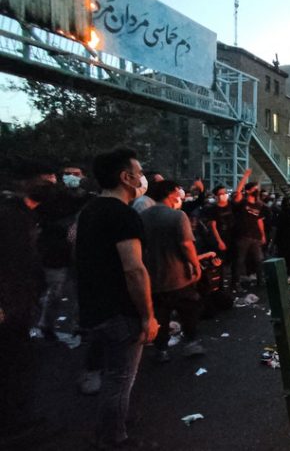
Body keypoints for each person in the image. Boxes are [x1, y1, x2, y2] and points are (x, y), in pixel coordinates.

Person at [76, 148, 159, 448]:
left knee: (113, 374)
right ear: (126, 177)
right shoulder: (123, 214)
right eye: (138, 171)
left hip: (94, 307)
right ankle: (113, 437)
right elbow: (134, 269)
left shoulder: (90, 210)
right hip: (120, 311)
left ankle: (115, 418)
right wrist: (148, 315)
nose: (142, 176)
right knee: (119, 377)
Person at [0, 162, 53, 447]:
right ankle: (13, 424)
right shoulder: (11, 217)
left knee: (17, 361)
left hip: (19, 300)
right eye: (45, 178)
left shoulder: (22, 215)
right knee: (12, 363)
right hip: (11, 304)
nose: (52, 183)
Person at [141, 180, 205, 362]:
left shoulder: (143, 216)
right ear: (170, 193)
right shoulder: (178, 216)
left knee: (160, 314)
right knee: (188, 310)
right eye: (178, 191)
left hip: (153, 276)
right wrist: (195, 265)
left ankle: (161, 350)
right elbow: (186, 244)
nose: (180, 195)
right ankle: (191, 344)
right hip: (178, 276)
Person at [231, 180, 267, 288]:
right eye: (255, 188)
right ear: (248, 191)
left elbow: (259, 220)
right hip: (243, 235)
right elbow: (237, 193)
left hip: (255, 236)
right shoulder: (243, 202)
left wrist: (263, 235)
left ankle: (260, 281)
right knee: (239, 261)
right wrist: (245, 177)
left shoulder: (258, 204)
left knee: (259, 260)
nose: (257, 190)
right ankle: (236, 283)